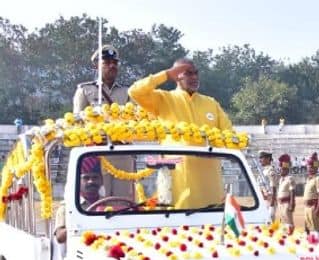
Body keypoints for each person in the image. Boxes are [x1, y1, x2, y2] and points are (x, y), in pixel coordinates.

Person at [128, 58, 232, 209]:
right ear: (176, 76)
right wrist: (165, 75)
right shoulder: (164, 99)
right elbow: (134, 91)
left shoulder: (211, 103)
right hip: (177, 180)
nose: (194, 77)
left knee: (212, 228)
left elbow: (229, 135)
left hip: (210, 183)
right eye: (188, 74)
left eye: (196, 73)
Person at [54, 157, 105, 244]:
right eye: (86, 178)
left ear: (101, 180)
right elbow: (60, 237)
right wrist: (84, 225)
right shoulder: (66, 207)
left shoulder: (109, 203)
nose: (90, 181)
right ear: (78, 181)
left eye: (95, 177)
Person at [73, 45, 130, 114]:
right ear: (97, 66)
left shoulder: (127, 92)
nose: (112, 66)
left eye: (115, 63)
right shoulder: (85, 91)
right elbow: (77, 121)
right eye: (107, 62)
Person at [303, 153, 319, 241]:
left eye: (312, 167)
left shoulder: (318, 179)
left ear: (316, 168)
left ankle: (317, 242)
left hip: (313, 205)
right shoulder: (308, 179)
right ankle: (312, 241)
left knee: (315, 225)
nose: (310, 169)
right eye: (308, 167)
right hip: (307, 206)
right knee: (309, 225)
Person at [276, 154, 295, 229]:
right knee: (283, 221)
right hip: (280, 203)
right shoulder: (281, 179)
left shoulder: (290, 178)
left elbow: (292, 192)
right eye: (280, 169)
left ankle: (291, 235)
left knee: (288, 221)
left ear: (286, 170)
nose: (280, 170)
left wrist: (292, 203)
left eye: (282, 169)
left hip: (286, 203)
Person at [259, 150, 279, 223]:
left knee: (269, 221)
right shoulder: (263, 171)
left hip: (270, 200)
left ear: (268, 159)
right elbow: (260, 186)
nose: (260, 160)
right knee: (263, 221)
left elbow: (274, 187)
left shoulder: (271, 171)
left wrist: (272, 204)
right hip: (264, 199)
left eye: (262, 158)